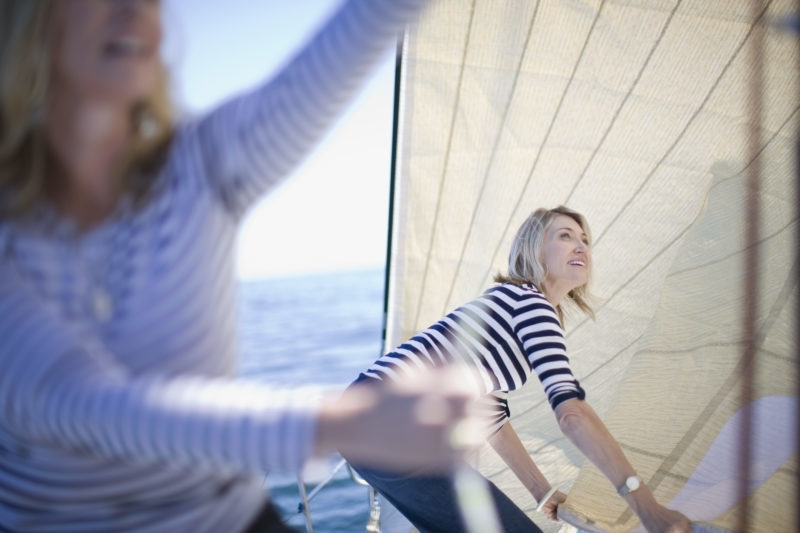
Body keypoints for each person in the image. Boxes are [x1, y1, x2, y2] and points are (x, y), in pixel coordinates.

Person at [0, 0, 482, 531]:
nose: (135, 11)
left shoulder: (199, 165)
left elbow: (333, 58)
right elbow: (86, 406)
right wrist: (343, 421)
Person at [347, 205, 693, 533]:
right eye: (565, 236)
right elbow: (572, 415)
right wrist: (648, 508)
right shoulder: (530, 303)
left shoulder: (508, 303)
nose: (581, 245)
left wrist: (540, 492)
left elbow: (490, 417)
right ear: (533, 249)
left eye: (585, 239)